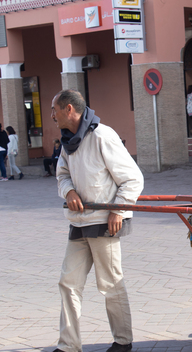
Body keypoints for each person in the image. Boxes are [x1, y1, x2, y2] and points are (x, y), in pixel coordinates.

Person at [51, 90, 144, 352]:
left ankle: (123, 342)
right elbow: (62, 175)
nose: (51, 116)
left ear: (69, 109)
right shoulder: (68, 141)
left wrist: (118, 211)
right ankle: (68, 345)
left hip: (105, 223)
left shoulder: (103, 136)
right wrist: (68, 191)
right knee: (68, 283)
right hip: (79, 223)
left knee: (110, 284)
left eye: (54, 110)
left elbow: (133, 179)